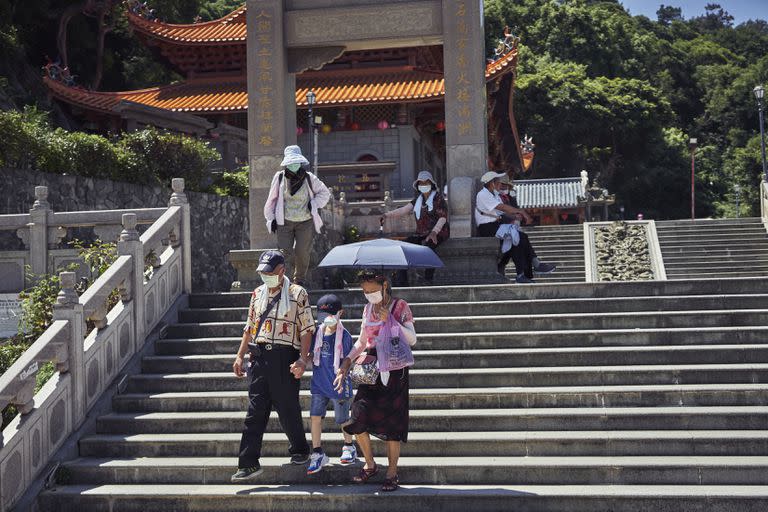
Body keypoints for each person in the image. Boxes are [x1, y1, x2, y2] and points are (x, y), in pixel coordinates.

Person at [231, 250, 313, 482]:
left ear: (281, 271)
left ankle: (299, 449)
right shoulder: (257, 294)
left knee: (287, 407)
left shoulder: (298, 293)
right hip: (259, 357)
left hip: (285, 356)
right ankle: (248, 463)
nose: (265, 276)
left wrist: (302, 359)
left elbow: (307, 329)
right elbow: (249, 327)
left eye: (269, 272)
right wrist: (239, 356)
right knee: (255, 411)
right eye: (262, 272)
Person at [333, 271, 416, 492]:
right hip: (371, 369)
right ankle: (370, 464)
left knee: (393, 425)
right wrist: (346, 362)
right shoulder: (368, 308)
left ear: (384, 285)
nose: (368, 295)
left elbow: (413, 338)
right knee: (357, 416)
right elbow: (362, 341)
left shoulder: (400, 306)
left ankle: (392, 472)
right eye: (365, 291)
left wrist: (389, 319)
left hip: (395, 368)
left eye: (372, 290)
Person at [264, 145, 331, 287]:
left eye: (296, 162)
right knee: (284, 252)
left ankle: (299, 279)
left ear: (300, 163)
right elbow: (272, 198)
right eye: (291, 163)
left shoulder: (309, 178)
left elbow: (325, 193)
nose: (293, 165)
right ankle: (282, 280)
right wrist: (271, 218)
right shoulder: (280, 177)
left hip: (305, 221)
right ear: (286, 164)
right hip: (284, 221)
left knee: (302, 251)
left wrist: (313, 204)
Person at [306, 294, 358, 474]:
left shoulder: (345, 336)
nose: (326, 320)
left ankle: (349, 445)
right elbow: (311, 354)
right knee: (315, 416)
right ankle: (317, 451)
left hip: (338, 383)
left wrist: (343, 376)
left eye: (330, 315)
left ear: (340, 313)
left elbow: (348, 359)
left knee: (343, 418)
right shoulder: (316, 333)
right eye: (322, 317)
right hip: (319, 383)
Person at [475, 171, 556, 283]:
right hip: (487, 228)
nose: (500, 185)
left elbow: (502, 212)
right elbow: (502, 208)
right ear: (491, 183)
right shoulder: (483, 194)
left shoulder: (495, 195)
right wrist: (521, 211)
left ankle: (526, 272)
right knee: (518, 238)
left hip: (497, 226)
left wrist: (515, 216)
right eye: (498, 182)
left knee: (521, 238)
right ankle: (531, 269)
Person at [382, 170, 449, 285]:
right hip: (421, 233)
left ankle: (428, 279)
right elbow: (403, 210)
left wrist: (434, 232)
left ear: (431, 184)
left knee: (429, 247)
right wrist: (386, 215)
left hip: (439, 232)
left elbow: (443, 217)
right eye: (421, 183)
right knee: (403, 247)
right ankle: (402, 282)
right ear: (418, 186)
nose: (424, 185)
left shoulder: (438, 198)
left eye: (426, 182)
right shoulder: (418, 200)